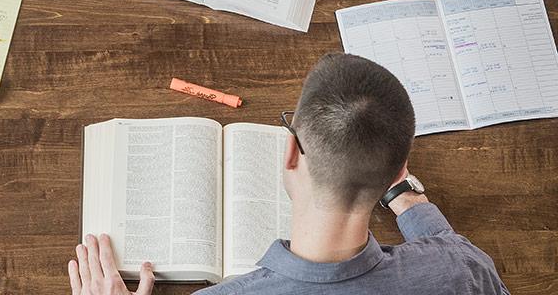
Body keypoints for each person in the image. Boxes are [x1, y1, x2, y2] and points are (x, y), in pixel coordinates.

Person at [69, 53, 510, 295]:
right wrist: (409, 201)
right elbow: (458, 255)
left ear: (290, 154)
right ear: (398, 169)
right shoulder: (460, 270)